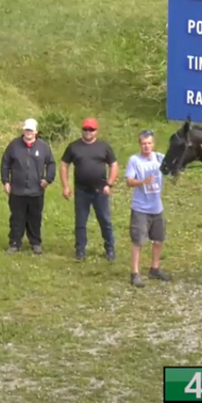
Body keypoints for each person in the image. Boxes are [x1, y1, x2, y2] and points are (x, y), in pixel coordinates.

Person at [60, 117, 119, 261]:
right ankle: (80, 250)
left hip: (100, 190)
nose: (88, 132)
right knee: (80, 221)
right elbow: (64, 164)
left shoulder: (103, 147)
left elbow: (114, 164)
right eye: (85, 129)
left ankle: (110, 248)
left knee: (105, 220)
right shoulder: (74, 147)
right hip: (81, 190)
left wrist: (109, 184)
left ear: (96, 131)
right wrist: (66, 186)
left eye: (91, 130)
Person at [0, 118, 56, 255]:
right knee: (17, 218)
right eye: (26, 129)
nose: (28, 132)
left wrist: (47, 180)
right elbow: (5, 163)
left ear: (36, 131)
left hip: (36, 191)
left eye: (31, 130)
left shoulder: (43, 147)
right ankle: (14, 243)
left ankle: (35, 243)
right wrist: (5, 181)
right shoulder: (14, 145)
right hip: (17, 190)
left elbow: (51, 164)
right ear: (23, 130)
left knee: (35, 217)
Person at [125, 130, 172, 287]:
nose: (147, 146)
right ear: (140, 145)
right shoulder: (134, 160)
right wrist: (143, 182)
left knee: (158, 240)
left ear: (153, 144)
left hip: (156, 207)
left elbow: (172, 167)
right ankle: (135, 273)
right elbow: (129, 181)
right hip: (140, 208)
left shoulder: (159, 158)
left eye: (149, 143)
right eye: (144, 144)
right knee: (138, 241)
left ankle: (155, 268)